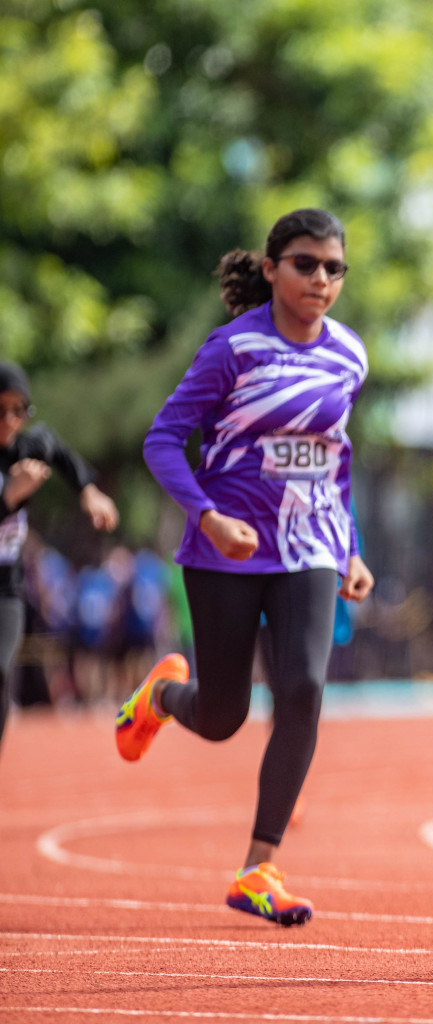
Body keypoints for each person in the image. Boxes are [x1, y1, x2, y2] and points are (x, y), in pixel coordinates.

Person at [115, 208, 374, 927]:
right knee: (224, 715)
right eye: (304, 263)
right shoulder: (233, 350)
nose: (320, 279)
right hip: (227, 550)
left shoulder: (349, 355)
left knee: (304, 688)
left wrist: (350, 545)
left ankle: (258, 868)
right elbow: (163, 440)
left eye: (333, 268)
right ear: (270, 269)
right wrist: (207, 515)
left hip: (311, 547)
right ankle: (165, 698)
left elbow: (336, 463)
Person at [0, 362, 119, 754]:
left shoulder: (27, 446)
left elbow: (58, 449)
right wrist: (9, 498)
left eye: (19, 410)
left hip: (6, 585)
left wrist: (87, 490)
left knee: (1, 671)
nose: (9, 421)